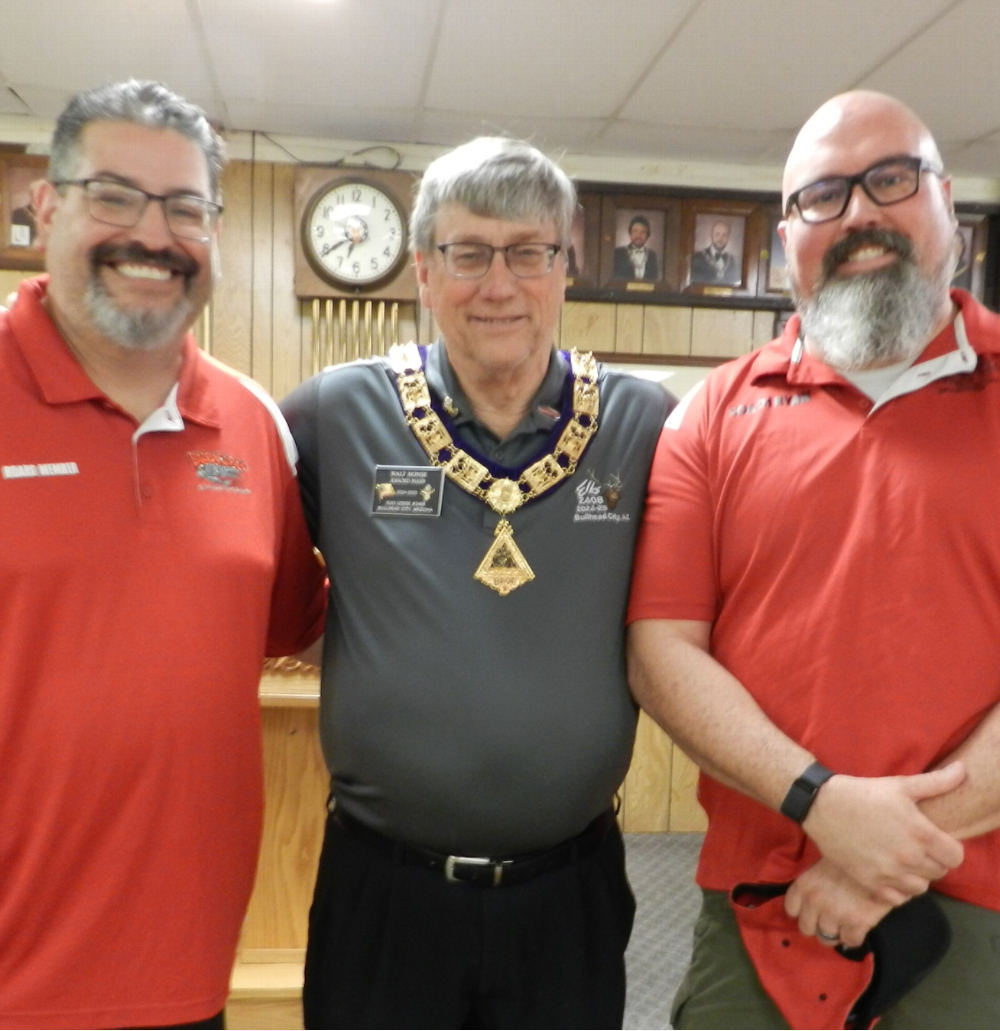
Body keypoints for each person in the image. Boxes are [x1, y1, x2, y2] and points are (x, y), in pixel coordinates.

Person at [628, 90, 1000, 1030]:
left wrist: (890, 849)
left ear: (948, 203)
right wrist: (821, 805)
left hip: (981, 903)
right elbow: (662, 649)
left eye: (890, 179)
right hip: (759, 901)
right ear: (785, 233)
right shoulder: (711, 414)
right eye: (823, 196)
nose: (861, 215)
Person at [281, 137, 673, 1029]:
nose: (500, 284)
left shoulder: (646, 425)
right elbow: (251, 581)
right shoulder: (333, 415)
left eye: (529, 251)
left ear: (564, 266)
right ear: (423, 270)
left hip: (567, 890)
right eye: (468, 253)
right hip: (385, 891)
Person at [0, 81, 326, 1030]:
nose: (154, 233)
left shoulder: (254, 426)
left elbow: (298, 631)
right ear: (46, 204)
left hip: (184, 977)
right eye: (115, 195)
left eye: (186, 207)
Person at [689, 218, 740, 284]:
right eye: (717, 234)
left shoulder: (733, 260)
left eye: (724, 235)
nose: (720, 238)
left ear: (728, 237)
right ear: (711, 235)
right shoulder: (697, 257)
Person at [613, 213, 661, 280]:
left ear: (647, 235)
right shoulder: (618, 253)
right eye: (635, 231)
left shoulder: (652, 256)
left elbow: (656, 280)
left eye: (643, 232)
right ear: (630, 233)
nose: (638, 236)